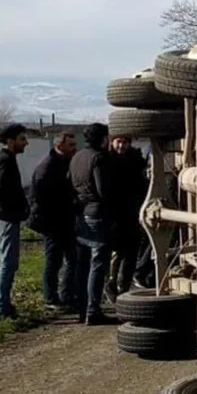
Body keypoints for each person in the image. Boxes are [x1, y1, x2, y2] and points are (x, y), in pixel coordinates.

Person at [70, 123, 119, 325]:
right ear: (103, 139)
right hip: (98, 214)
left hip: (82, 214)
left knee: (83, 264)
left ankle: (82, 308)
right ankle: (93, 310)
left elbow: (70, 185)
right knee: (98, 265)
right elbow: (102, 190)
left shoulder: (77, 157)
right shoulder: (98, 158)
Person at [28, 131, 78, 313]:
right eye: (71, 145)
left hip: (65, 220)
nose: (74, 148)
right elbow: (39, 198)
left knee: (73, 258)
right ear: (59, 145)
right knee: (53, 261)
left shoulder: (64, 163)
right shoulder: (48, 167)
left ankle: (67, 295)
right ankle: (50, 298)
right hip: (52, 223)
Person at [0, 123, 30, 320]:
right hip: (6, 218)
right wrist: (17, 210)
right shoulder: (5, 160)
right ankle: (1, 308)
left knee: (8, 262)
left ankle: (3, 304)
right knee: (7, 262)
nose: (26, 143)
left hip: (6, 217)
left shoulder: (4, 158)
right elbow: (1, 192)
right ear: (10, 141)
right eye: (22, 139)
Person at [105, 135, 148, 301]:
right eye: (119, 142)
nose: (121, 146)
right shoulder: (107, 160)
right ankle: (111, 282)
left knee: (131, 252)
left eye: (125, 142)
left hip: (133, 211)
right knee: (116, 252)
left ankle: (124, 286)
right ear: (112, 142)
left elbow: (142, 184)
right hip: (115, 213)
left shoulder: (136, 160)